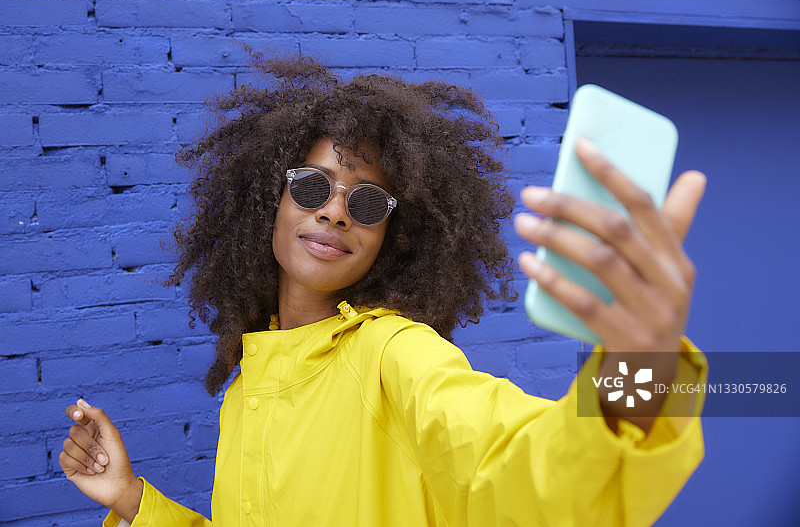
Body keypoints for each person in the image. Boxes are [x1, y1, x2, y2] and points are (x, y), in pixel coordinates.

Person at [58, 52, 708, 526]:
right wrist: (132, 500)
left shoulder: (394, 356)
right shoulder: (247, 386)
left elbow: (526, 468)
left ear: (393, 236)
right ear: (269, 202)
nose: (335, 212)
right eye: (312, 186)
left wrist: (641, 369)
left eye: (368, 203)